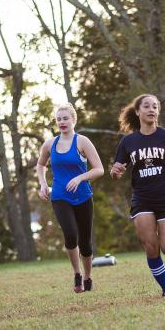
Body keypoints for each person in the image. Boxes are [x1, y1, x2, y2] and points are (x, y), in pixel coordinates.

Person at [110, 94, 165, 298]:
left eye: (155, 107)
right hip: (142, 198)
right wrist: (115, 171)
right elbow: (117, 170)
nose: (151, 109)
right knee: (150, 247)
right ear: (138, 111)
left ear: (158, 112)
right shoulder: (128, 141)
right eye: (147, 106)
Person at [36, 103, 104, 293]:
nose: (62, 122)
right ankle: (77, 273)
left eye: (65, 118)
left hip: (83, 196)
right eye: (59, 119)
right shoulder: (50, 144)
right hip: (59, 196)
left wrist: (80, 177)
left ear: (74, 120)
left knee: (85, 242)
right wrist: (43, 184)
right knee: (70, 233)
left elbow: (99, 169)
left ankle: (88, 275)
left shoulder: (82, 142)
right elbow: (40, 165)